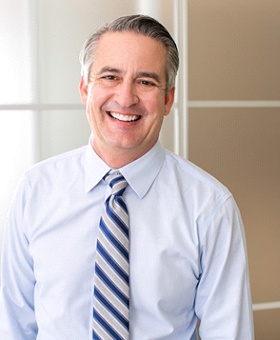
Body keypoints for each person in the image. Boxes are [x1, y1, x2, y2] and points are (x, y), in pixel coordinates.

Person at [0, 14, 254, 339]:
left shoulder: (210, 207)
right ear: (84, 88)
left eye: (146, 81)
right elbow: (13, 327)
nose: (125, 97)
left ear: (167, 99)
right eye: (110, 76)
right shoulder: (35, 190)